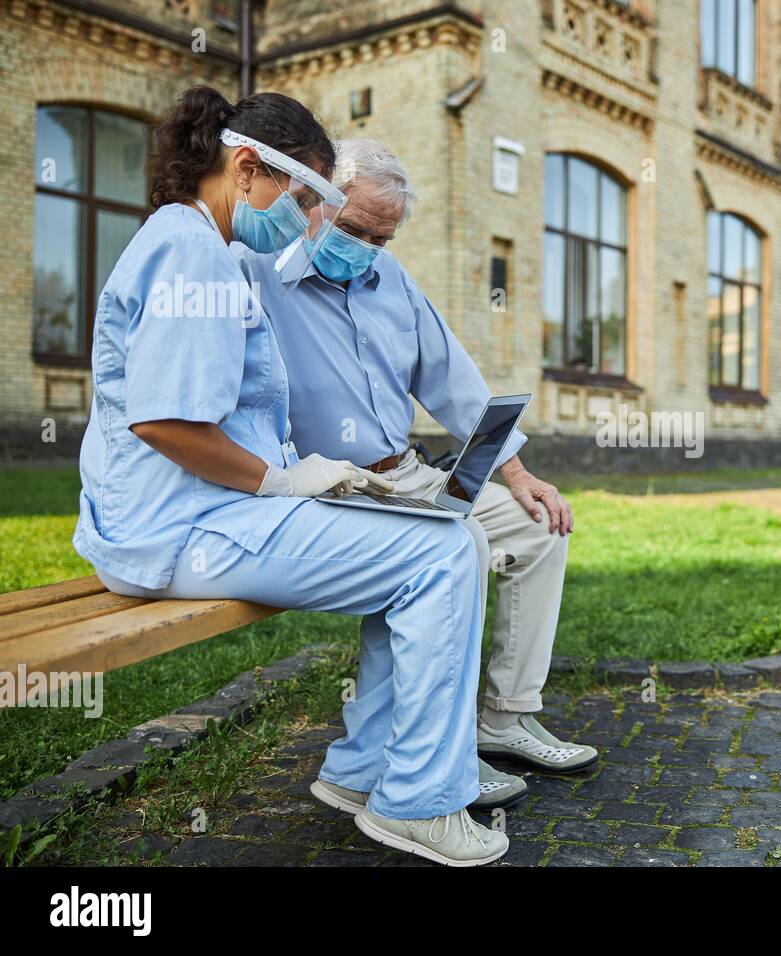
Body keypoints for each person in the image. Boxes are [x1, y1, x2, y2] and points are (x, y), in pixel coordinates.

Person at [74, 86, 504, 866]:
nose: (308, 218)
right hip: (180, 531)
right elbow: (164, 423)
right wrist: (284, 482)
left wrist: (304, 476)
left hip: (203, 516)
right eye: (304, 194)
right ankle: (417, 802)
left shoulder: (199, 243)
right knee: (439, 556)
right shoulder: (190, 251)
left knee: (429, 537)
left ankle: (366, 772)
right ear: (247, 168)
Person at [236, 139, 596, 813]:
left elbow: (454, 381)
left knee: (537, 526)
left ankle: (505, 718)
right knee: (448, 557)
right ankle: (432, 749)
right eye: (355, 229)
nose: (368, 247)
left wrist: (517, 473)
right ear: (313, 203)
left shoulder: (390, 279)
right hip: (332, 488)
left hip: (405, 475)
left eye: (383, 236)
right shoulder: (258, 274)